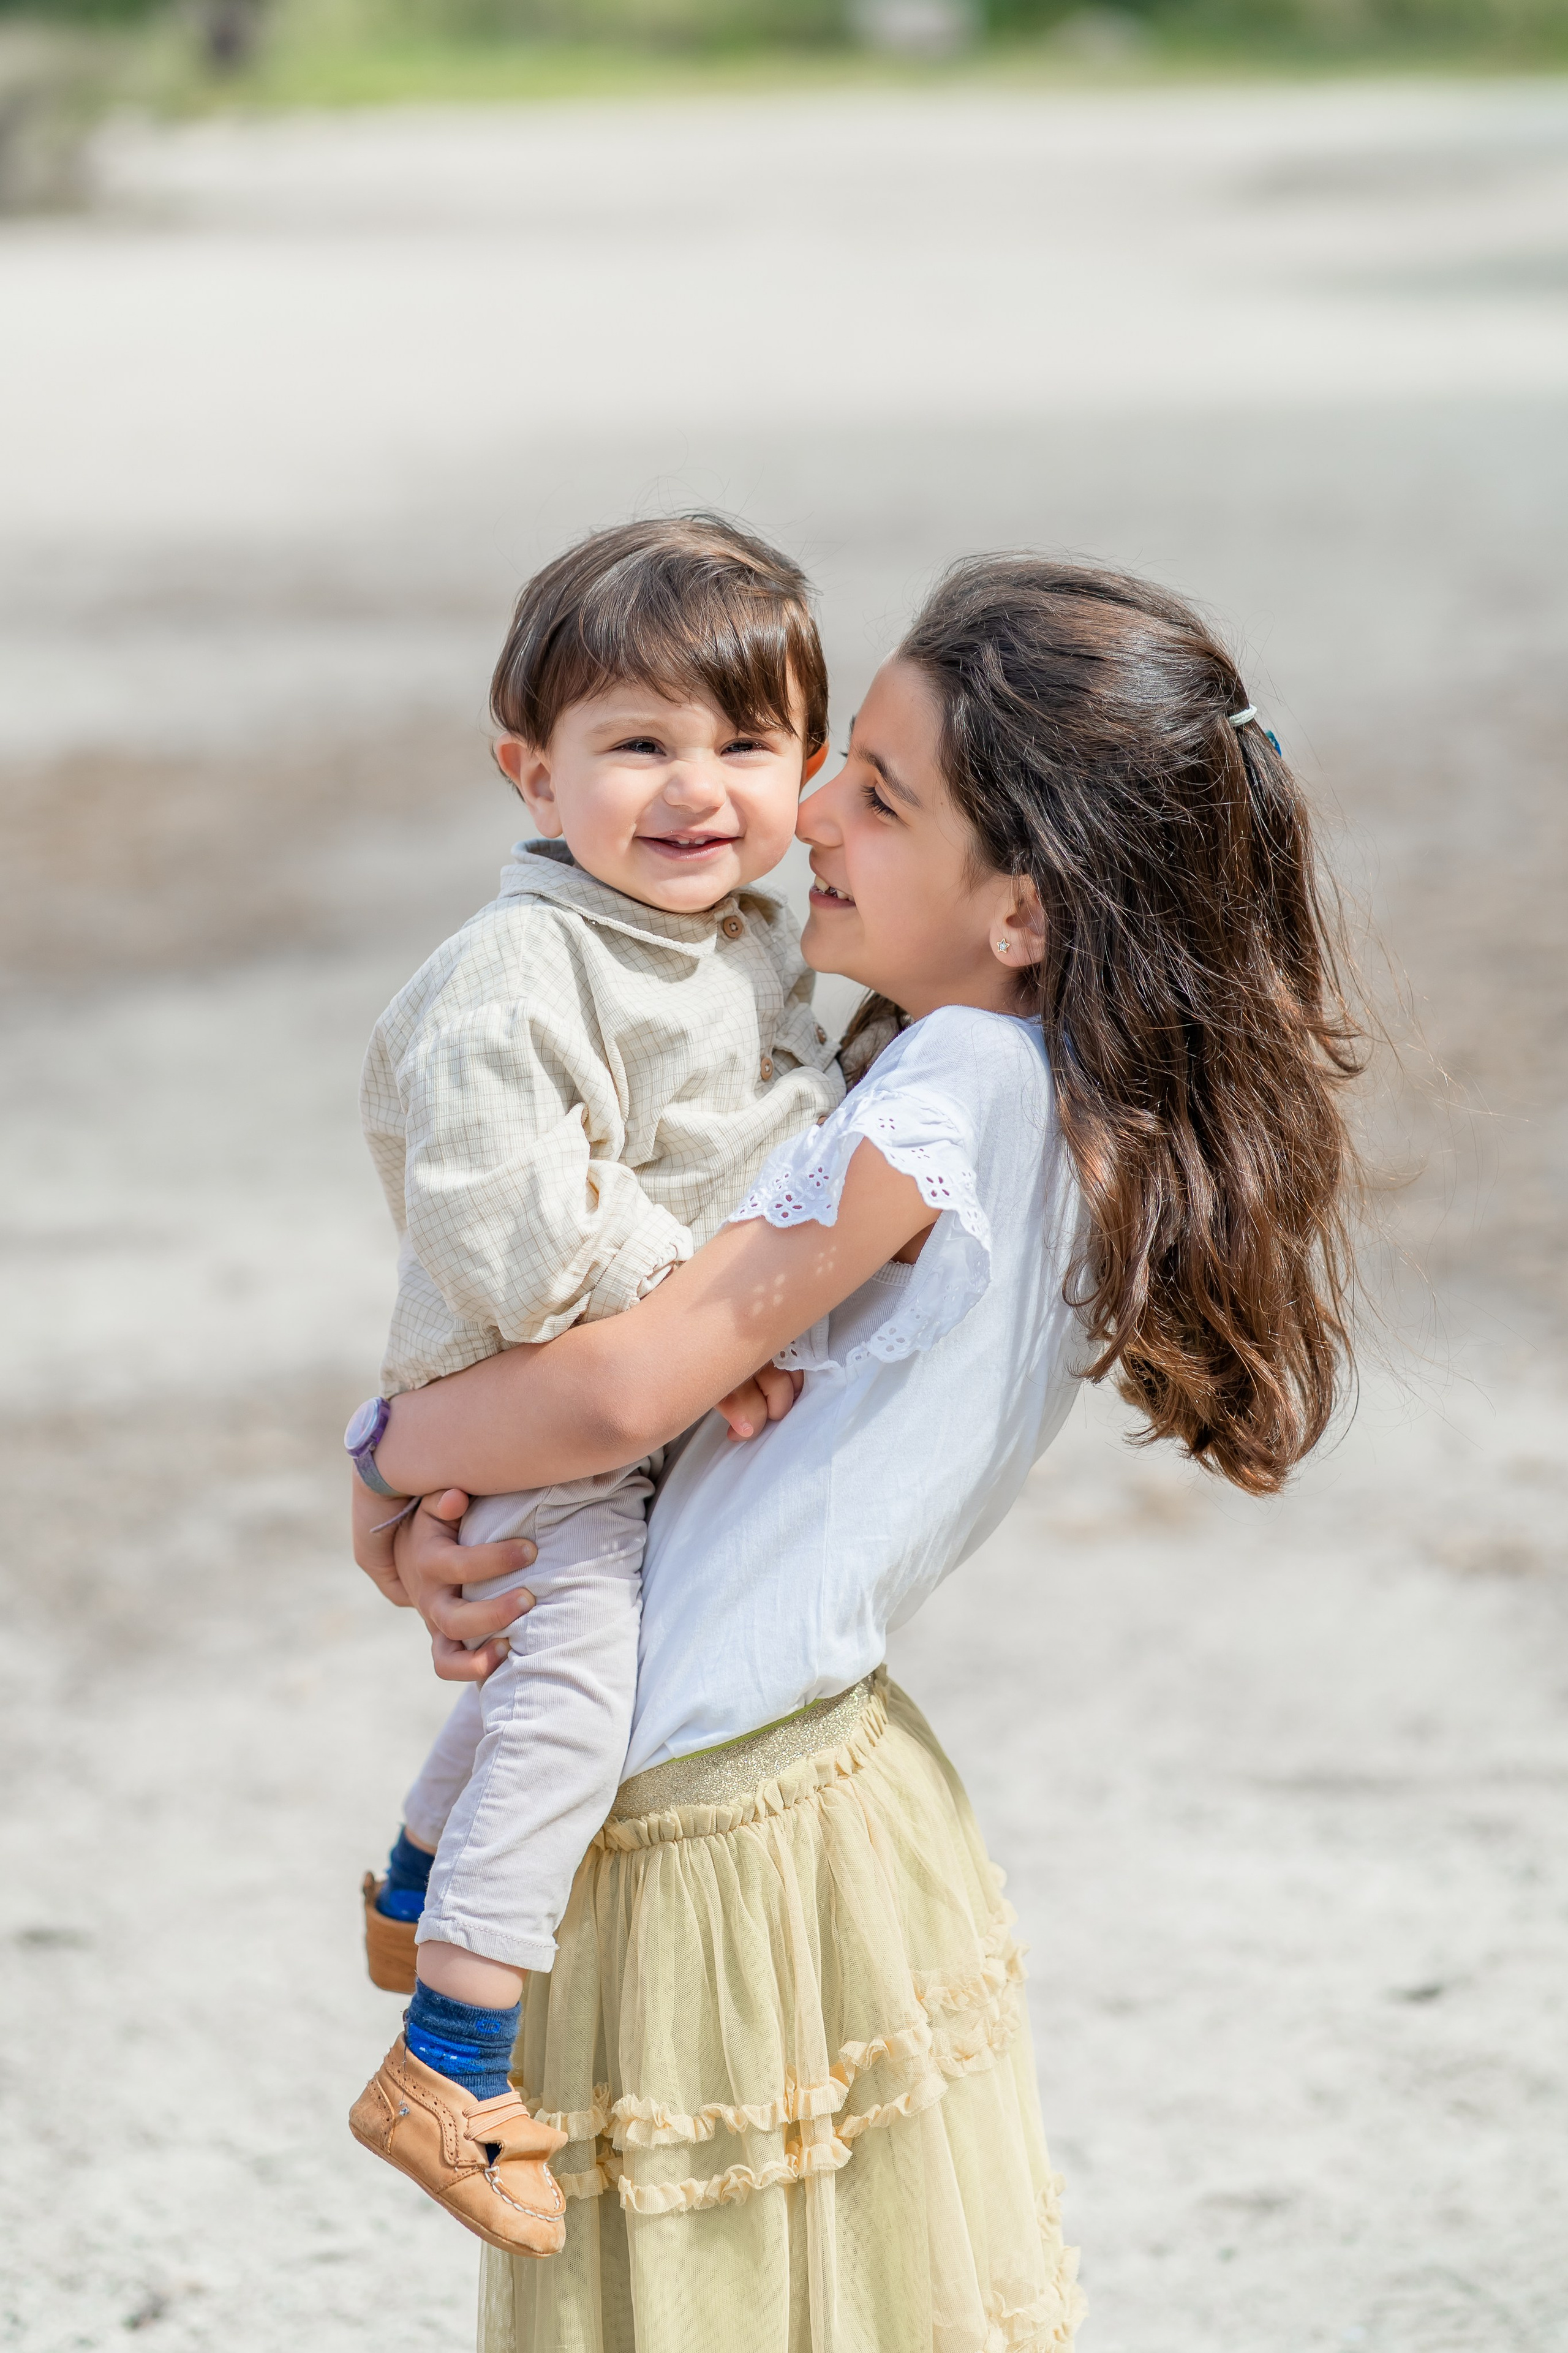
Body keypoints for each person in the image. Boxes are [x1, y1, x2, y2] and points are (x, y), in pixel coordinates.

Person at [354, 557, 1363, 2353]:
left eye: (875, 793)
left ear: (1027, 912)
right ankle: (424, 1878)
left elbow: (616, 1394)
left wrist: (383, 1451)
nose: (805, 803)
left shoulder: (958, 1087)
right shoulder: (1020, 1079)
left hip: (717, 1808)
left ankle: (424, 1922)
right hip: (792, 1776)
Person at [346, 515, 846, 2253]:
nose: (696, 787)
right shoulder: (515, 976)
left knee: (579, 1648)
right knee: (579, 1688)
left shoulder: (736, 939)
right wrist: (716, 1310)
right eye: (637, 742)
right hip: (543, 1394)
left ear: (810, 765)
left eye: (744, 742)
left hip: (633, 1391)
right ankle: (450, 2050)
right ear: (531, 772)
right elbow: (511, 1225)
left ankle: (419, 1878)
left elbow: (780, 1102)